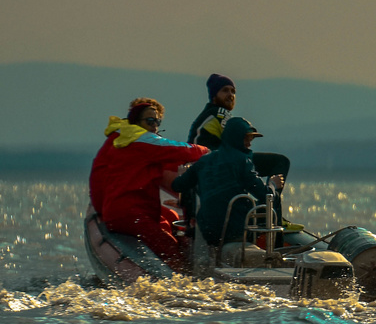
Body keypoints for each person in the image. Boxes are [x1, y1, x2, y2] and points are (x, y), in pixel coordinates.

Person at [88, 98, 207, 271]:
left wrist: (101, 209)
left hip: (133, 210)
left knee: (172, 218)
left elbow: (98, 176)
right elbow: (181, 149)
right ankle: (183, 275)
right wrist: (208, 152)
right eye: (150, 121)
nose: (155, 126)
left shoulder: (121, 139)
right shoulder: (142, 140)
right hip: (129, 213)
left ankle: (186, 261)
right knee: (167, 246)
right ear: (136, 121)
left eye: (157, 121)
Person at [172, 117, 277, 248]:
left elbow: (177, 185)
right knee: (264, 207)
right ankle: (276, 244)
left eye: (251, 139)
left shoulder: (204, 161)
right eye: (247, 139)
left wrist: (185, 174)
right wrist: (273, 185)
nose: (249, 144)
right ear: (236, 138)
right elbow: (263, 193)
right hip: (234, 229)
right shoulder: (243, 160)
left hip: (208, 229)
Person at [186, 74, 235, 149]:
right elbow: (236, 140)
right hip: (208, 158)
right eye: (225, 90)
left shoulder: (208, 114)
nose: (230, 95)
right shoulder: (220, 113)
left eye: (233, 91)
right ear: (214, 96)